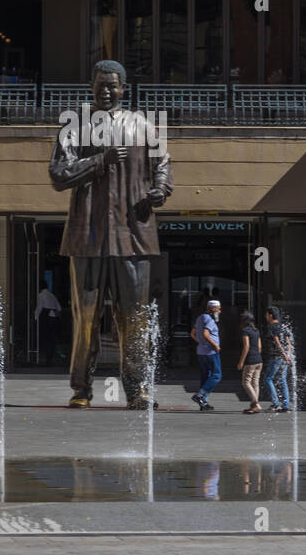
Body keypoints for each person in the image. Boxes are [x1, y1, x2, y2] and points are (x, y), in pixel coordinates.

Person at [49, 59, 173, 410]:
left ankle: (137, 390)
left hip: (133, 234)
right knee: (85, 316)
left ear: (123, 88)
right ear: (92, 87)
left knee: (134, 317)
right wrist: (99, 161)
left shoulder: (142, 125)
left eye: (112, 85)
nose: (106, 91)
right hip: (87, 235)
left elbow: (162, 165)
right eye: (100, 85)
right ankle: (81, 389)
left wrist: (160, 190)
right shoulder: (76, 127)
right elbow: (58, 174)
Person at [191, 300, 222, 411]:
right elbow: (205, 334)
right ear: (212, 309)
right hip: (211, 352)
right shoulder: (210, 319)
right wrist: (215, 346)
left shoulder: (200, 318)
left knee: (206, 376)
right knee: (217, 375)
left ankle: (203, 403)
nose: (220, 311)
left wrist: (201, 342)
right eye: (218, 309)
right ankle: (200, 395)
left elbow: (193, 333)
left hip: (201, 351)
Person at [261, 306, 292, 413]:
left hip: (277, 356)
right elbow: (288, 342)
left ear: (270, 315)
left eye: (266, 314)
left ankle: (275, 404)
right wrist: (289, 355)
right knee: (282, 379)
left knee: (268, 378)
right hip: (285, 357)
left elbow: (277, 341)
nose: (265, 317)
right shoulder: (283, 326)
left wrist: (283, 354)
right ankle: (286, 404)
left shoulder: (272, 326)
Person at [237, 310, 263, 414]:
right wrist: (257, 356)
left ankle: (255, 403)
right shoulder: (256, 331)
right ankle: (253, 406)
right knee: (255, 383)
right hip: (259, 360)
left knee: (246, 382)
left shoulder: (245, 331)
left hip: (250, 360)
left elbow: (246, 346)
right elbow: (260, 347)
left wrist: (241, 362)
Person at [35, 284, 62, 367]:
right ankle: (50, 357)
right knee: (52, 338)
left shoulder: (41, 295)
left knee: (45, 338)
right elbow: (59, 308)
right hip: (53, 318)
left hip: (46, 318)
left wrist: (36, 317)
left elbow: (39, 307)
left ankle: (46, 358)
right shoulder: (52, 295)